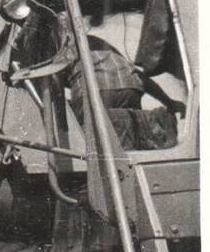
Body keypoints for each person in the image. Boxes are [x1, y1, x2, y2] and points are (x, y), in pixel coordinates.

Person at [11, 10, 185, 151]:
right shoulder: (96, 41)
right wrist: (169, 101)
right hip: (131, 87)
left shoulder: (56, 48)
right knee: (130, 133)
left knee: (93, 142)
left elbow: (54, 87)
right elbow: (138, 75)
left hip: (97, 91)